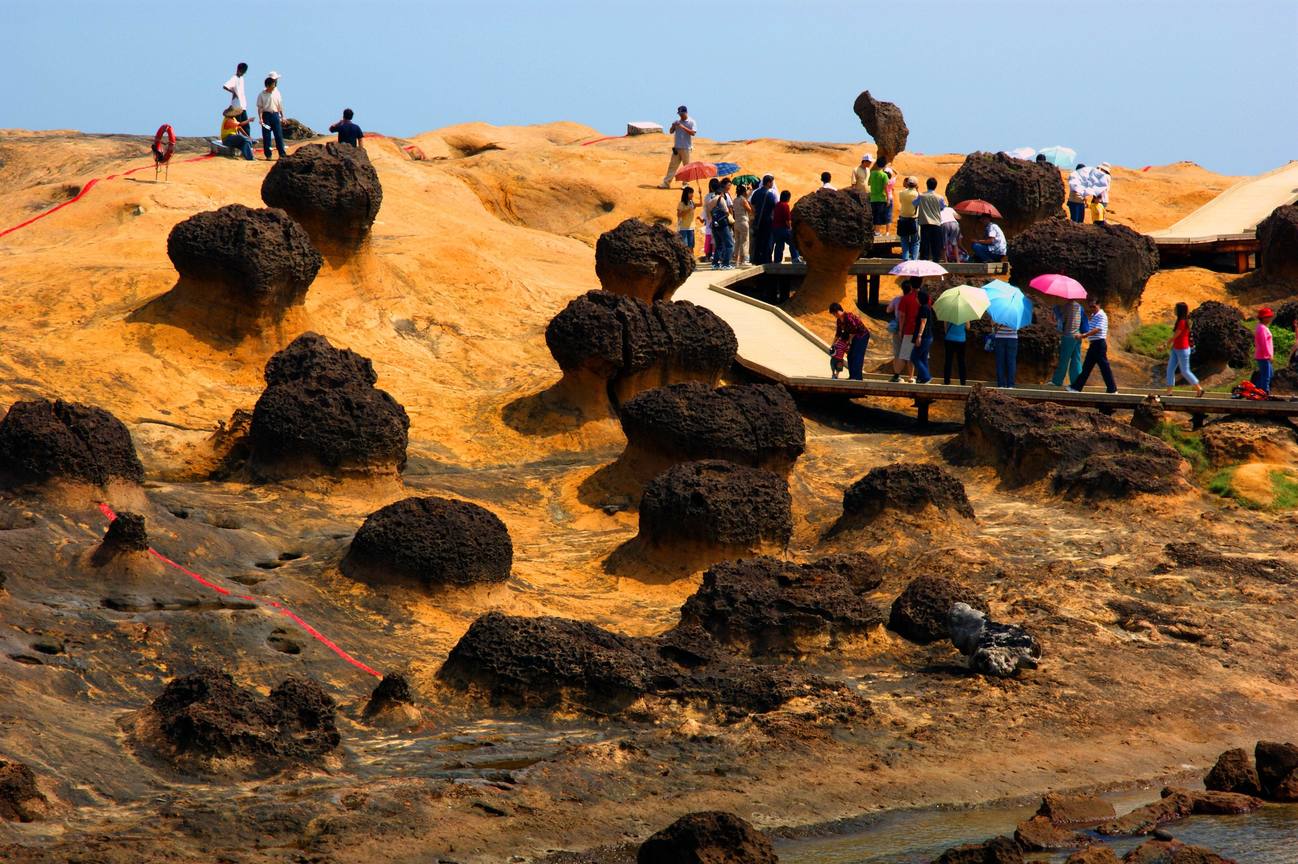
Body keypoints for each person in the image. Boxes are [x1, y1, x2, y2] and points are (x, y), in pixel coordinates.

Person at [1070, 298, 1118, 393]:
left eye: (1093, 306)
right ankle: (1076, 387)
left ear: (1099, 305)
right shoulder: (1094, 315)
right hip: (1094, 344)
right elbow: (1090, 328)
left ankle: (1112, 389)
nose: (1092, 308)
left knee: (1103, 367)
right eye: (1090, 307)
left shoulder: (1101, 315)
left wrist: (1083, 335)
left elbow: (1097, 329)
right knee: (1087, 367)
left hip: (1099, 344)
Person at [1161, 301, 1203, 397]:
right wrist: (1172, 346)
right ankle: (1169, 392)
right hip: (1176, 349)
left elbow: (1176, 335)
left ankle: (1199, 389)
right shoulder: (1180, 321)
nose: (1174, 310)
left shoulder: (1183, 322)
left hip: (1183, 350)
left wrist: (1166, 344)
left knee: (1185, 371)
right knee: (1170, 369)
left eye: (1176, 308)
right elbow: (1177, 338)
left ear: (1179, 310)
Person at [829, 303, 870, 380]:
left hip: (862, 335)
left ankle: (857, 377)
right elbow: (838, 334)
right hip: (853, 337)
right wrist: (833, 344)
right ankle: (852, 376)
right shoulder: (839, 321)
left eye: (835, 313)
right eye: (833, 314)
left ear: (838, 310)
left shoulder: (848, 316)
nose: (835, 315)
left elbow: (854, 329)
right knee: (850, 355)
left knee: (857, 355)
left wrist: (849, 342)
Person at [891, 278, 921, 382]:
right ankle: (914, 377)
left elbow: (901, 316)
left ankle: (897, 376)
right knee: (918, 355)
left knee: (904, 355)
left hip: (907, 330)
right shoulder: (924, 298)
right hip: (920, 331)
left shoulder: (904, 299)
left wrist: (900, 330)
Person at [1050, 300, 1084, 388]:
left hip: (1068, 336)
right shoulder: (1079, 306)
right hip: (1078, 335)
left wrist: (1056, 312)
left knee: (1064, 359)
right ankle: (1077, 382)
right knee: (1076, 360)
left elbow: (1062, 321)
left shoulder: (1067, 306)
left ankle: (1057, 381)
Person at [660, 106, 696, 188]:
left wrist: (682, 127)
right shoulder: (677, 122)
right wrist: (673, 126)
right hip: (677, 148)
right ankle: (666, 183)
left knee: (686, 167)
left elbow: (693, 133)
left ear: (686, 112)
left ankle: (685, 184)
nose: (680, 115)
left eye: (682, 113)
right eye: (679, 114)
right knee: (672, 166)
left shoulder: (691, 122)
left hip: (686, 148)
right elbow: (671, 131)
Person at [915, 178, 946, 261]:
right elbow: (943, 207)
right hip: (936, 224)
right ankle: (936, 262)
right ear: (936, 186)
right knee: (936, 246)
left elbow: (914, 203)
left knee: (925, 245)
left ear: (927, 185)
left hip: (925, 223)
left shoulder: (921, 196)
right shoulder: (940, 197)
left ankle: (924, 262)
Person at [256, 77, 287, 160]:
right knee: (266, 136)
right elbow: (260, 108)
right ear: (267, 86)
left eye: (274, 85)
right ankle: (268, 155)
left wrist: (283, 116)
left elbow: (280, 106)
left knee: (278, 135)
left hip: (275, 115)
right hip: (266, 116)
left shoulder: (276, 93)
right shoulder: (261, 94)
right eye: (272, 85)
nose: (274, 86)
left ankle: (282, 154)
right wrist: (261, 118)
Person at [750, 175, 778, 264]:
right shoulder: (770, 194)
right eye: (772, 182)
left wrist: (756, 213)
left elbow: (752, 204)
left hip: (758, 220)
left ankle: (757, 259)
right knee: (767, 240)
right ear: (768, 183)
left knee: (758, 240)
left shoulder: (756, 192)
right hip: (767, 221)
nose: (772, 184)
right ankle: (766, 259)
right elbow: (775, 207)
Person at [911, 290, 936, 383]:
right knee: (923, 358)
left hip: (924, 337)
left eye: (917, 297)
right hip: (928, 336)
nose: (916, 299)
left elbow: (923, 322)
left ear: (920, 298)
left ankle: (926, 377)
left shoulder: (923, 308)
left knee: (914, 357)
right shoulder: (926, 308)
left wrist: (919, 336)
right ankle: (921, 378)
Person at [710, 179, 735, 269]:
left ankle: (715, 263)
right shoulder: (721, 199)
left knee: (719, 245)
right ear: (721, 193)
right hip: (723, 224)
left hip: (714, 224)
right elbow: (727, 212)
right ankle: (726, 263)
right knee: (730, 244)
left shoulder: (712, 200)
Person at [896, 176, 920, 260]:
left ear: (908, 184)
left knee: (904, 241)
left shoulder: (901, 193)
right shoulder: (917, 194)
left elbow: (901, 201)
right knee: (915, 241)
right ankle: (914, 259)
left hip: (903, 218)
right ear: (916, 185)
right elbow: (917, 204)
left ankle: (905, 259)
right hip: (913, 219)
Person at [772, 190, 799, 263]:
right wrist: (790, 228)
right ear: (787, 198)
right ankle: (795, 258)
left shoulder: (777, 204)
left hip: (776, 228)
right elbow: (787, 219)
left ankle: (777, 261)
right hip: (784, 229)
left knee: (779, 245)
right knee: (793, 243)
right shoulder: (785, 205)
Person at [993, 317, 1019, 388]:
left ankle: (1001, 384)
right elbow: (1018, 326)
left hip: (1000, 337)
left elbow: (992, 324)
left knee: (1000, 362)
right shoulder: (1016, 313)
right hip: (1013, 338)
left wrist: (997, 324)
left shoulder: (998, 312)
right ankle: (1010, 385)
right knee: (1011, 362)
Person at [1254, 307, 1276, 393]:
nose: (1270, 318)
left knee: (1269, 374)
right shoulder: (1262, 328)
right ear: (1263, 318)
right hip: (1264, 356)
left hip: (1264, 355)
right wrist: (1269, 355)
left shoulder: (1262, 327)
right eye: (1268, 317)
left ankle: (1258, 391)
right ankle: (1264, 392)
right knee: (1266, 375)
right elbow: (1264, 344)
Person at [868, 158, 891, 236]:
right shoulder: (884, 175)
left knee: (873, 215)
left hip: (872, 198)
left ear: (877, 164)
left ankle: (873, 231)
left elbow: (869, 183)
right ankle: (877, 232)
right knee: (879, 215)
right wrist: (888, 199)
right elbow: (886, 188)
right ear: (884, 165)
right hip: (881, 198)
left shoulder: (872, 173)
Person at [942, 315, 967, 385]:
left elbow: (945, 327)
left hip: (949, 339)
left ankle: (946, 381)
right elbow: (968, 327)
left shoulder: (948, 312)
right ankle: (963, 382)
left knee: (948, 361)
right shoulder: (965, 313)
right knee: (961, 362)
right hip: (961, 340)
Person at [732, 183, 753, 265]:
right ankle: (743, 260)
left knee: (737, 241)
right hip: (743, 222)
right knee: (744, 241)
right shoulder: (743, 200)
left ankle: (735, 259)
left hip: (736, 222)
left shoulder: (735, 200)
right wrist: (748, 202)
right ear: (744, 192)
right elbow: (749, 210)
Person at [676, 187, 699, 255]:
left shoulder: (692, 202)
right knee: (684, 245)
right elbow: (679, 215)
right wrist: (688, 209)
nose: (692, 195)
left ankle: (691, 258)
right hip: (683, 227)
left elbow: (701, 204)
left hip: (691, 227)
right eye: (690, 193)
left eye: (692, 193)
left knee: (691, 245)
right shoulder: (681, 203)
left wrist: (700, 194)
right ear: (686, 194)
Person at [701, 178, 720, 260]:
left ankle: (707, 254)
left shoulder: (707, 196)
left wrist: (705, 218)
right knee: (716, 237)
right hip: (718, 218)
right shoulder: (719, 196)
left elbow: (705, 208)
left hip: (709, 219)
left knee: (708, 236)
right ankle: (714, 253)